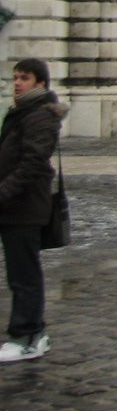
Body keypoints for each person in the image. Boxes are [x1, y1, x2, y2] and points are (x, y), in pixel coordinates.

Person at [0, 58, 67, 364]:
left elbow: (33, 163)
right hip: (12, 205)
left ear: (40, 83)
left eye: (24, 78)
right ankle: (32, 333)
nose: (17, 83)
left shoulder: (39, 115)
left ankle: (27, 335)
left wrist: (3, 191)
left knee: (24, 274)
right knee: (19, 272)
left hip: (25, 206)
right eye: (15, 77)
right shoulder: (20, 112)